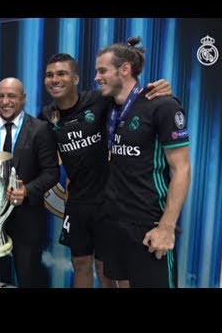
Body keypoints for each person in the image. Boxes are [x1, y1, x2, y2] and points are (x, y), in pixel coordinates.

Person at [38, 53, 172, 288]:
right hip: (77, 201)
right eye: (49, 75)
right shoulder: (47, 115)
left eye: (61, 73)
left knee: (106, 268)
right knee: (80, 264)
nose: (54, 79)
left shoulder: (99, 99)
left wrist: (159, 87)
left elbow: (131, 95)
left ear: (76, 79)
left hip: (108, 203)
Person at [96, 37, 191, 288]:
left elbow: (182, 168)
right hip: (115, 220)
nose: (97, 77)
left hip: (150, 224)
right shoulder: (108, 106)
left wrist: (166, 228)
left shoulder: (162, 105)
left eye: (102, 70)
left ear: (124, 69)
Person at [0, 77, 60, 288]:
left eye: (12, 96)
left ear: (23, 99)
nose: (5, 101)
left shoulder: (40, 129)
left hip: (26, 217)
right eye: (0, 96)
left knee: (28, 277)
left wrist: (26, 191)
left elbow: (51, 173)